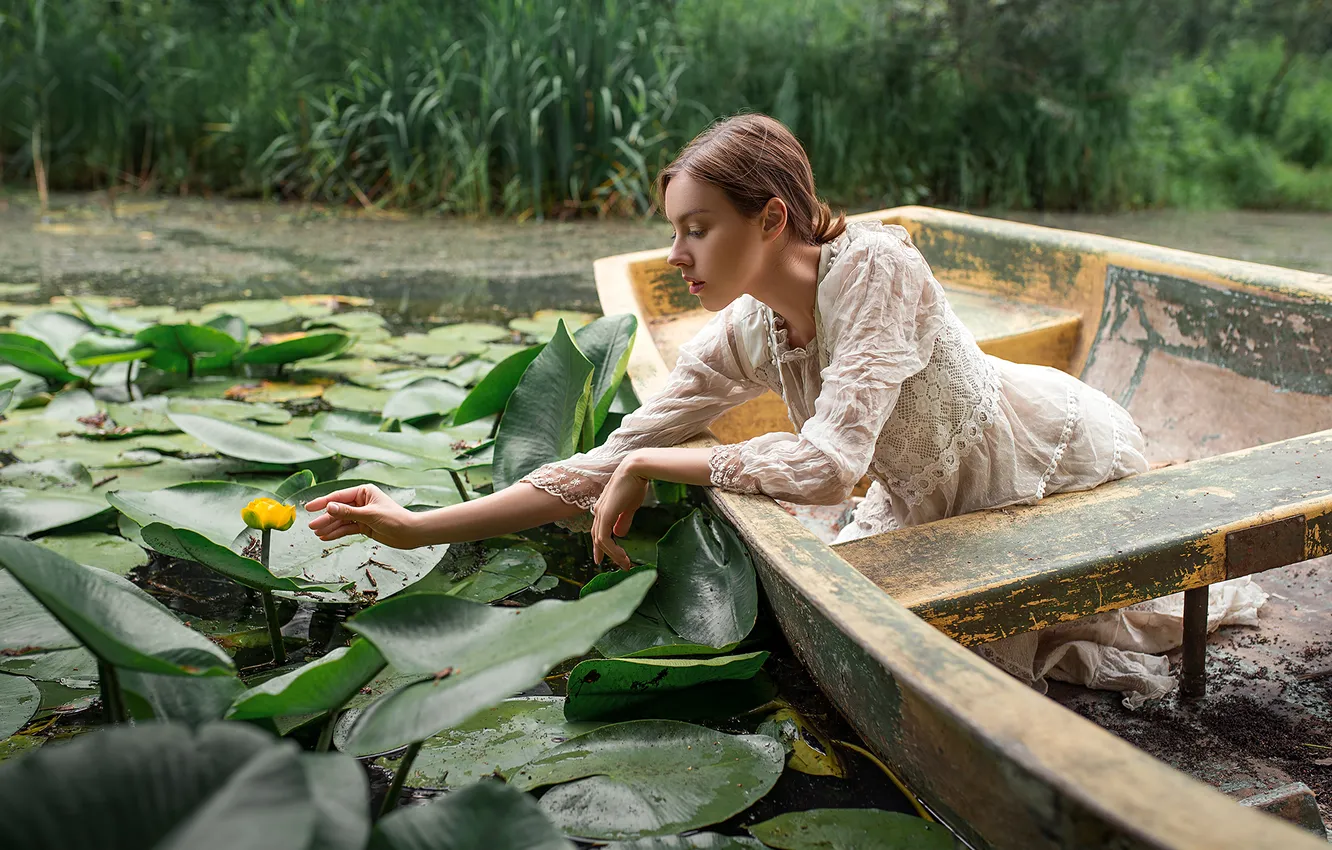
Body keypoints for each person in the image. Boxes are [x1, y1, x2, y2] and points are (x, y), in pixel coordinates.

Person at [306, 113, 1228, 706]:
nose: (675, 253)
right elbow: (601, 462)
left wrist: (663, 466)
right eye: (674, 229)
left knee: (1018, 665)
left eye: (696, 227)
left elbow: (829, 467)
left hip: (1045, 464)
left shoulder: (877, 267)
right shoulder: (747, 331)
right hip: (924, 496)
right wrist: (421, 526)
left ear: (774, 219)